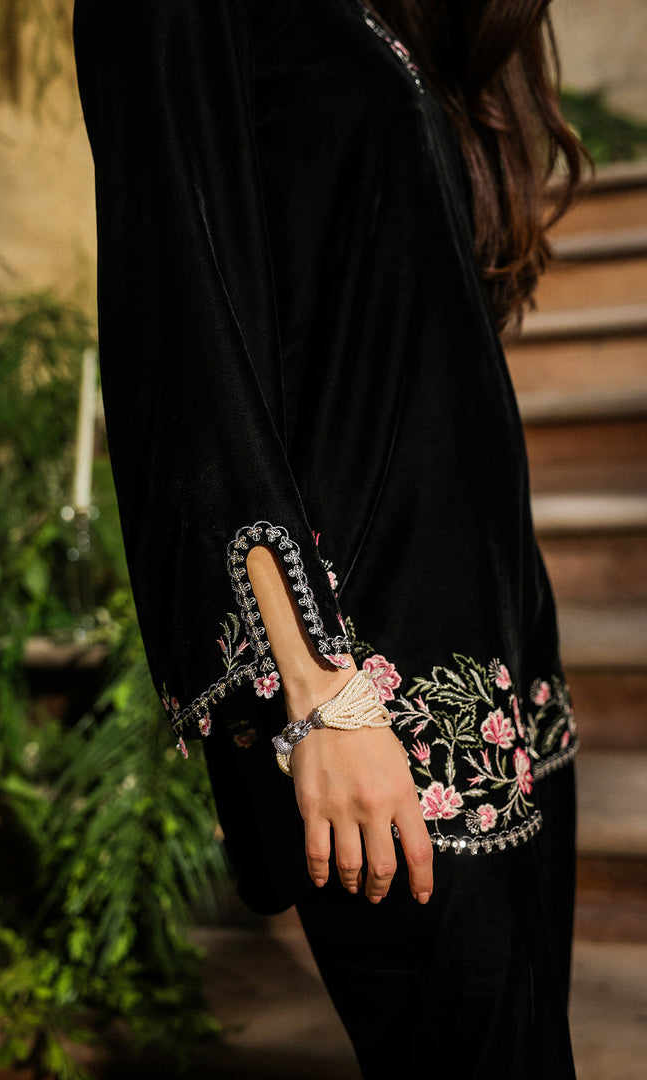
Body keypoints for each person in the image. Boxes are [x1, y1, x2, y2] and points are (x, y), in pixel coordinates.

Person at [73, 1, 587, 1076]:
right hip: (367, 683)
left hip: (501, 658)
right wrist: (317, 696)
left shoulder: (364, 12)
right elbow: (186, 350)